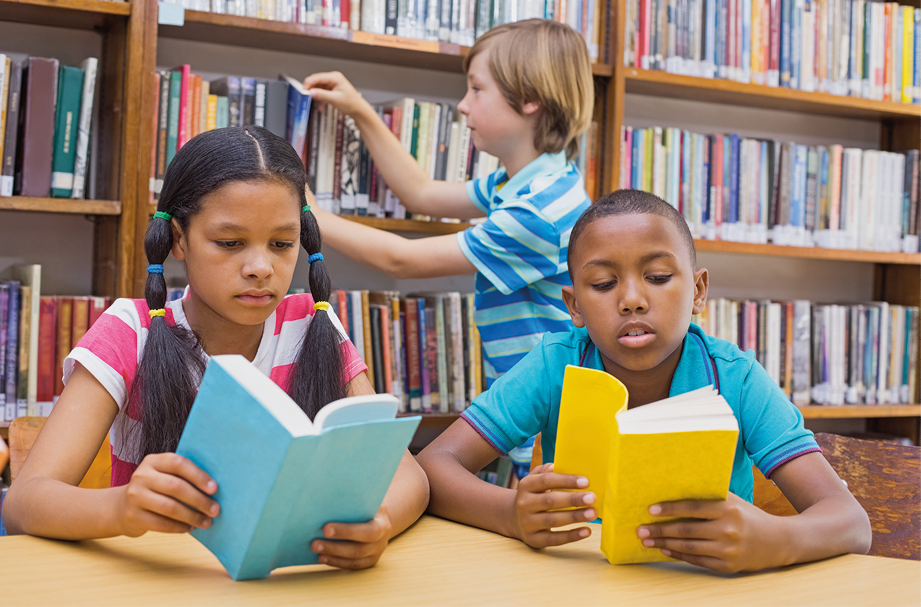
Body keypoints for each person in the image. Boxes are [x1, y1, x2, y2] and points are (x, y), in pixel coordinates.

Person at [2, 127, 429, 570]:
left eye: (282, 245)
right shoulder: (130, 332)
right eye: (230, 243)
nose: (261, 268)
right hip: (158, 582)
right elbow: (22, 504)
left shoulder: (312, 323)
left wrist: (379, 523)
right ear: (179, 241)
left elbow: (409, 476)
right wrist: (120, 507)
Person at [416, 189, 872, 574]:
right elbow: (436, 464)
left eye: (656, 277)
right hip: (578, 584)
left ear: (697, 291)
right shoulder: (555, 365)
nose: (632, 300)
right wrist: (509, 513)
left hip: (701, 587)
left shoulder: (737, 378)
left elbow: (851, 523)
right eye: (602, 284)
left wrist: (775, 540)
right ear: (573, 305)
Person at [302, 18, 594, 387]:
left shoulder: (538, 212)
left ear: (529, 98)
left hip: (542, 402)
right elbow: (420, 193)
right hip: (525, 389)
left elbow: (401, 260)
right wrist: (360, 109)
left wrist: (306, 212)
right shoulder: (524, 182)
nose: (462, 105)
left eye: (476, 89)